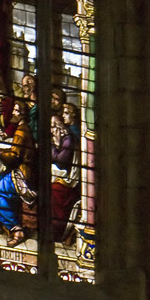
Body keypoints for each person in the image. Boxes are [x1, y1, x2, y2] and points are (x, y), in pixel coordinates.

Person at [0, 94, 37, 247]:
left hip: (23, 175)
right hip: (22, 170)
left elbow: (14, 157)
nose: (13, 113)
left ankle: (16, 229)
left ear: (22, 115)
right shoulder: (23, 129)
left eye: (16, 111)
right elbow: (16, 151)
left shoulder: (21, 131)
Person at [50, 102, 82, 243]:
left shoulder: (70, 136)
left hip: (73, 180)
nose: (63, 116)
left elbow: (61, 161)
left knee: (53, 190)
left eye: (66, 113)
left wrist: (54, 145)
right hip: (72, 176)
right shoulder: (69, 132)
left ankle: (59, 231)